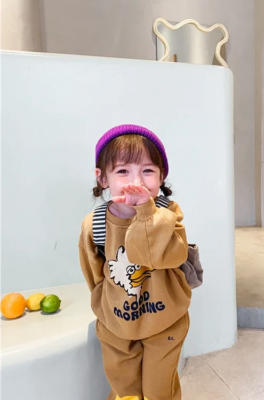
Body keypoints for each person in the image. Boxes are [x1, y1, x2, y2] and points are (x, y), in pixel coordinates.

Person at [79, 124, 191, 400]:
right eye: (123, 171)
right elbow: (94, 274)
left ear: (162, 176)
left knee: (159, 391)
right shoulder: (95, 224)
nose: (136, 181)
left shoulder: (168, 214)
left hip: (164, 322)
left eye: (148, 170)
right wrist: (105, 306)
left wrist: (146, 213)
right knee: (124, 389)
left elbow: (169, 256)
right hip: (117, 324)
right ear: (102, 178)